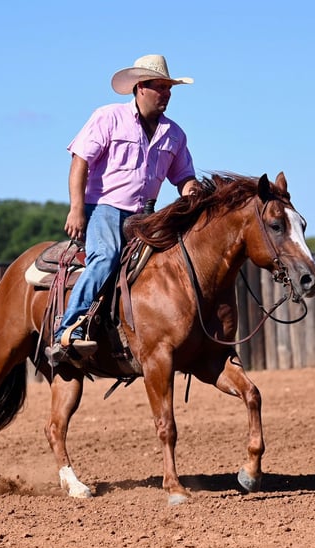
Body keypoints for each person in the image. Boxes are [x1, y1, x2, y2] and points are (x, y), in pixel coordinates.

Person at [46, 54, 199, 364]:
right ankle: (68, 330)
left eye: (170, 89)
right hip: (105, 208)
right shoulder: (108, 117)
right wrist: (77, 209)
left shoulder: (174, 134)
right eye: (160, 88)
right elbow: (80, 162)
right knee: (105, 258)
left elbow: (183, 177)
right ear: (140, 87)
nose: (166, 95)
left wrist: (191, 189)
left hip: (147, 214)